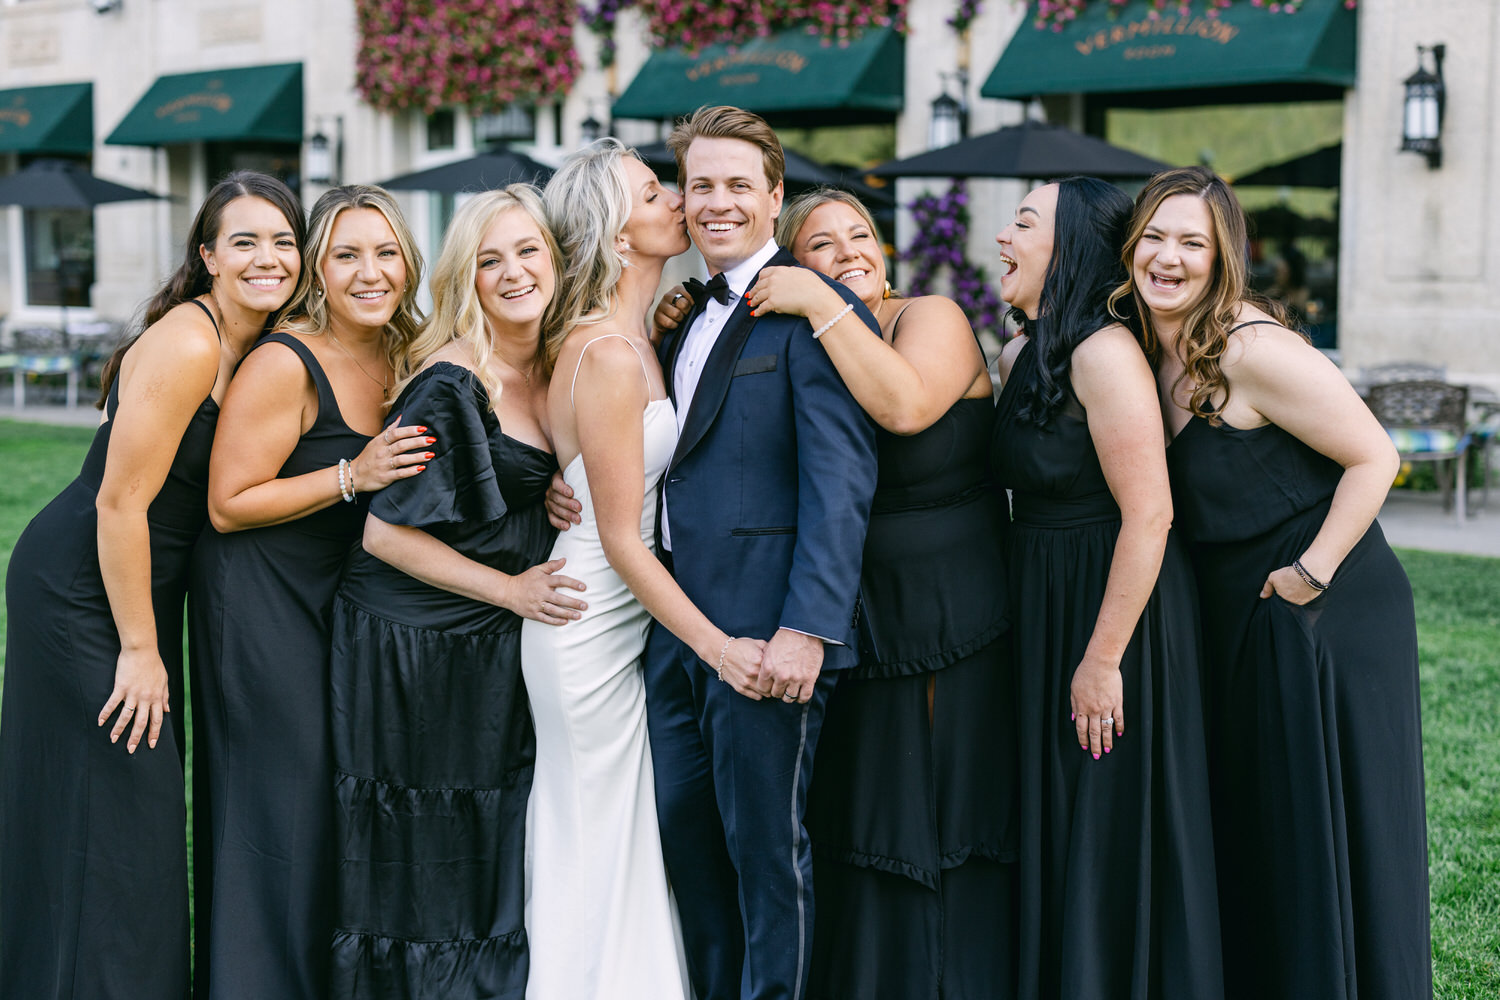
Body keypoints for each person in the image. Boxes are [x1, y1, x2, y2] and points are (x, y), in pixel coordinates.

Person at [655, 186, 1018, 998]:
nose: (852, 250)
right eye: (823, 245)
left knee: (948, 824)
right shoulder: (791, 336)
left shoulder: (927, 319)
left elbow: (905, 404)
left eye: (863, 235)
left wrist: (819, 294)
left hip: (951, 615)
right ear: (785, 264)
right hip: (861, 617)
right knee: (868, 823)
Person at [1116, 165, 1431, 1000]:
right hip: (1242, 610)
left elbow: (1376, 457)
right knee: (1270, 823)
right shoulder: (1148, 354)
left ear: (1226, 259)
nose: (1168, 257)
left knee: (1326, 823)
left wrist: (1307, 575)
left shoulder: (1250, 348)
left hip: (1325, 603)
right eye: (1154, 237)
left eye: (1193, 242)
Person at [0, 171, 303, 1000]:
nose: (266, 257)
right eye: (244, 241)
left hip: (127, 591)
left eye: (283, 240)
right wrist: (140, 647)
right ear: (208, 255)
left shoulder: (259, 340)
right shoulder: (192, 341)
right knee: (123, 822)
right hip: (84, 596)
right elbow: (119, 499)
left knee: (104, 817)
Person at [521, 136, 770, 999]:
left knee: (623, 840)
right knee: (593, 839)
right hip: (587, 623)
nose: (679, 201)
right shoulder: (610, 354)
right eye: (655, 191)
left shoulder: (639, 335)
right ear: (616, 233)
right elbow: (624, 538)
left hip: (618, 625)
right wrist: (720, 648)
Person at [638, 105, 878, 1000]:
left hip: (770, 636)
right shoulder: (681, 317)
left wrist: (808, 629)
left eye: (739, 185)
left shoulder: (817, 309)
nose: (718, 202)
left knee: (769, 860)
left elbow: (841, 483)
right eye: (701, 185)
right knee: (690, 848)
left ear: (774, 197)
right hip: (676, 636)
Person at [327, 185, 586, 998]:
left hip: (485, 646)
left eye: (528, 251)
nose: (514, 273)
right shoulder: (450, 381)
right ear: (463, 279)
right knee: (422, 862)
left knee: (485, 843)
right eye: (489, 260)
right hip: (412, 645)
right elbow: (385, 534)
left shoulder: (551, 364)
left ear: (556, 259)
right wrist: (511, 590)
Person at [188, 185, 430, 999]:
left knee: (329, 801)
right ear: (318, 270)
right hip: (257, 599)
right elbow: (227, 504)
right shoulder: (283, 359)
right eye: (348, 255)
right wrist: (349, 475)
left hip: (338, 601)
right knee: (277, 805)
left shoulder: (405, 352)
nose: (371, 273)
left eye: (386, 252)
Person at [988, 176, 1223, 1000]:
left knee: (1108, 821)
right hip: (1042, 600)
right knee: (1058, 816)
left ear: (1071, 246)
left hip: (1112, 617)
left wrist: (1101, 659)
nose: (1001, 238)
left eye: (1021, 222)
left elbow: (1149, 514)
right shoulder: (1024, 349)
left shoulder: (1104, 352)